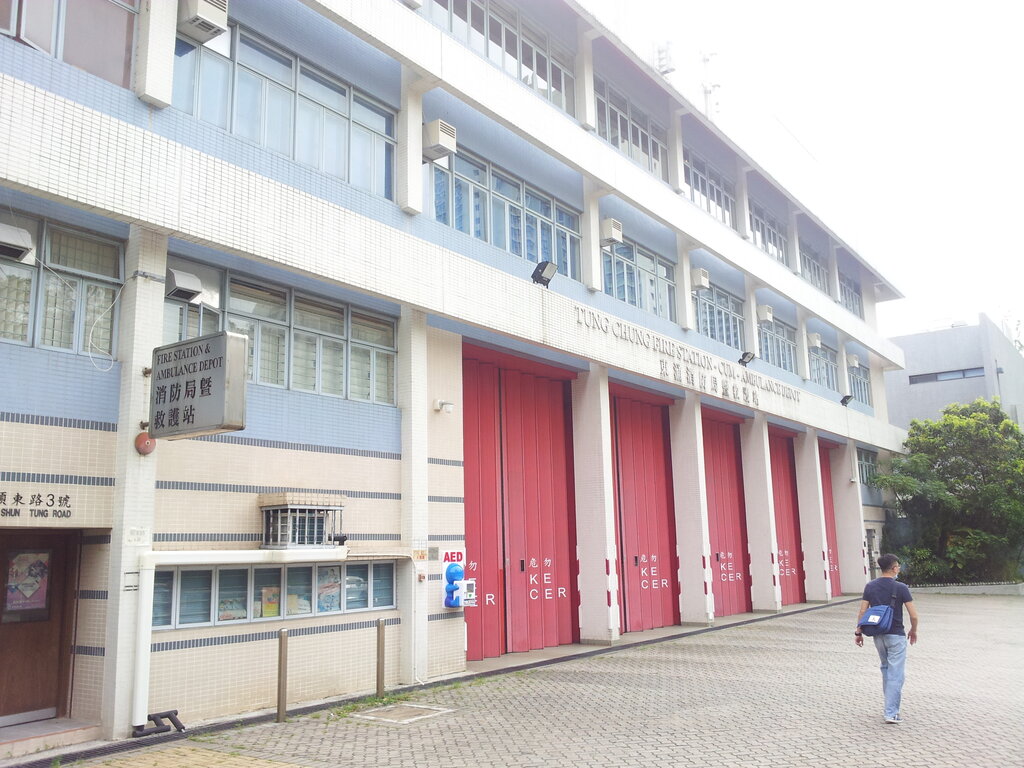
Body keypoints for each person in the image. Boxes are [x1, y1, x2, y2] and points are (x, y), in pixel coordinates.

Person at [855, 553, 919, 724]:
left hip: (878, 634)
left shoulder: (870, 586)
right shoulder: (901, 588)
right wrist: (913, 630)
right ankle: (891, 713)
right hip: (896, 635)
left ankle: (890, 706)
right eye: (897, 566)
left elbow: (862, 612)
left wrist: (858, 632)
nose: (898, 569)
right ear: (894, 568)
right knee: (896, 675)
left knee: (887, 670)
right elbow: (914, 615)